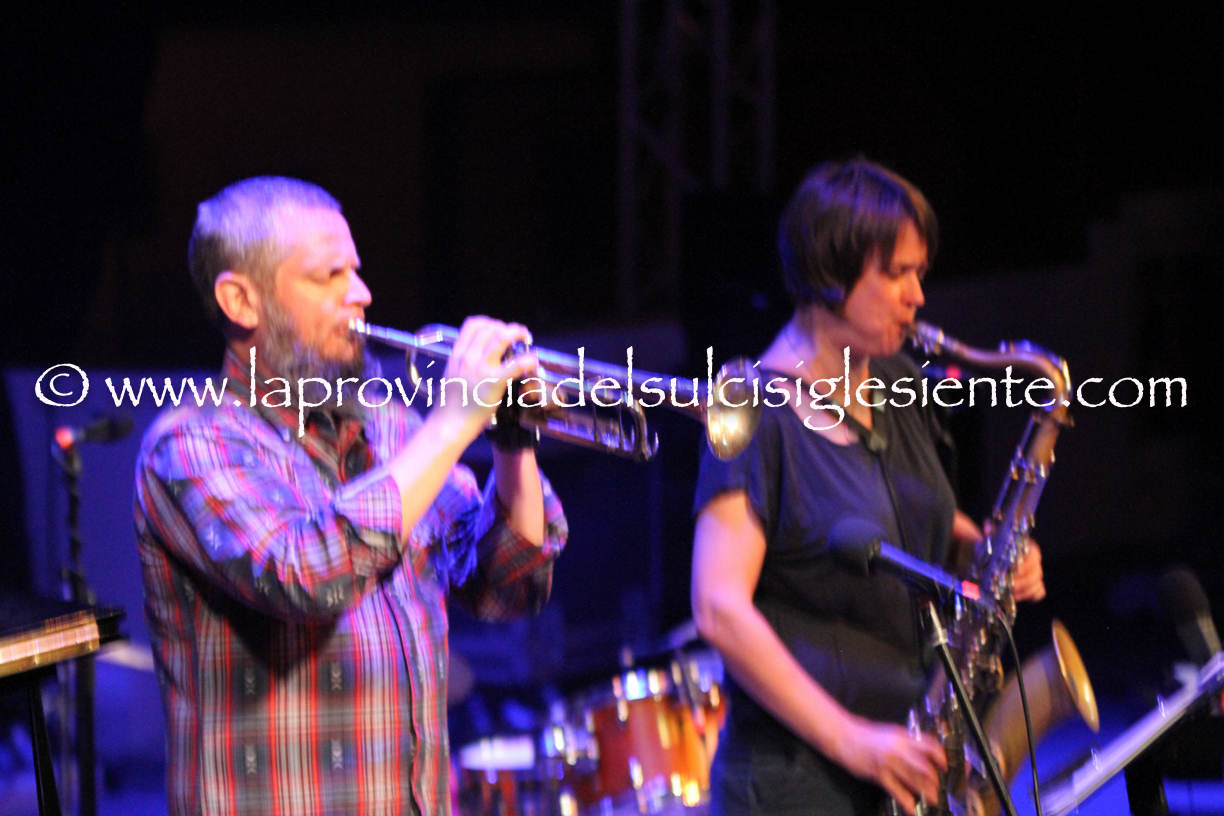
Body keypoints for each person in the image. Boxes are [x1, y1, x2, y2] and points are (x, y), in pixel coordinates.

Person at [134, 177, 567, 816]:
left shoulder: (392, 428)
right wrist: (453, 423)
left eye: (356, 271)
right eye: (328, 275)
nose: (360, 293)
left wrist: (512, 441)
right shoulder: (192, 445)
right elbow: (307, 575)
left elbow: (507, 588)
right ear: (241, 301)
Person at [690, 158, 1045, 816]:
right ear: (831, 273)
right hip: (796, 782)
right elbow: (718, 607)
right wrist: (852, 741)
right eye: (897, 273)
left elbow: (925, 520)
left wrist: (994, 556)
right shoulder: (751, 407)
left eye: (920, 273)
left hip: (904, 761)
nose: (918, 296)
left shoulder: (897, 379)